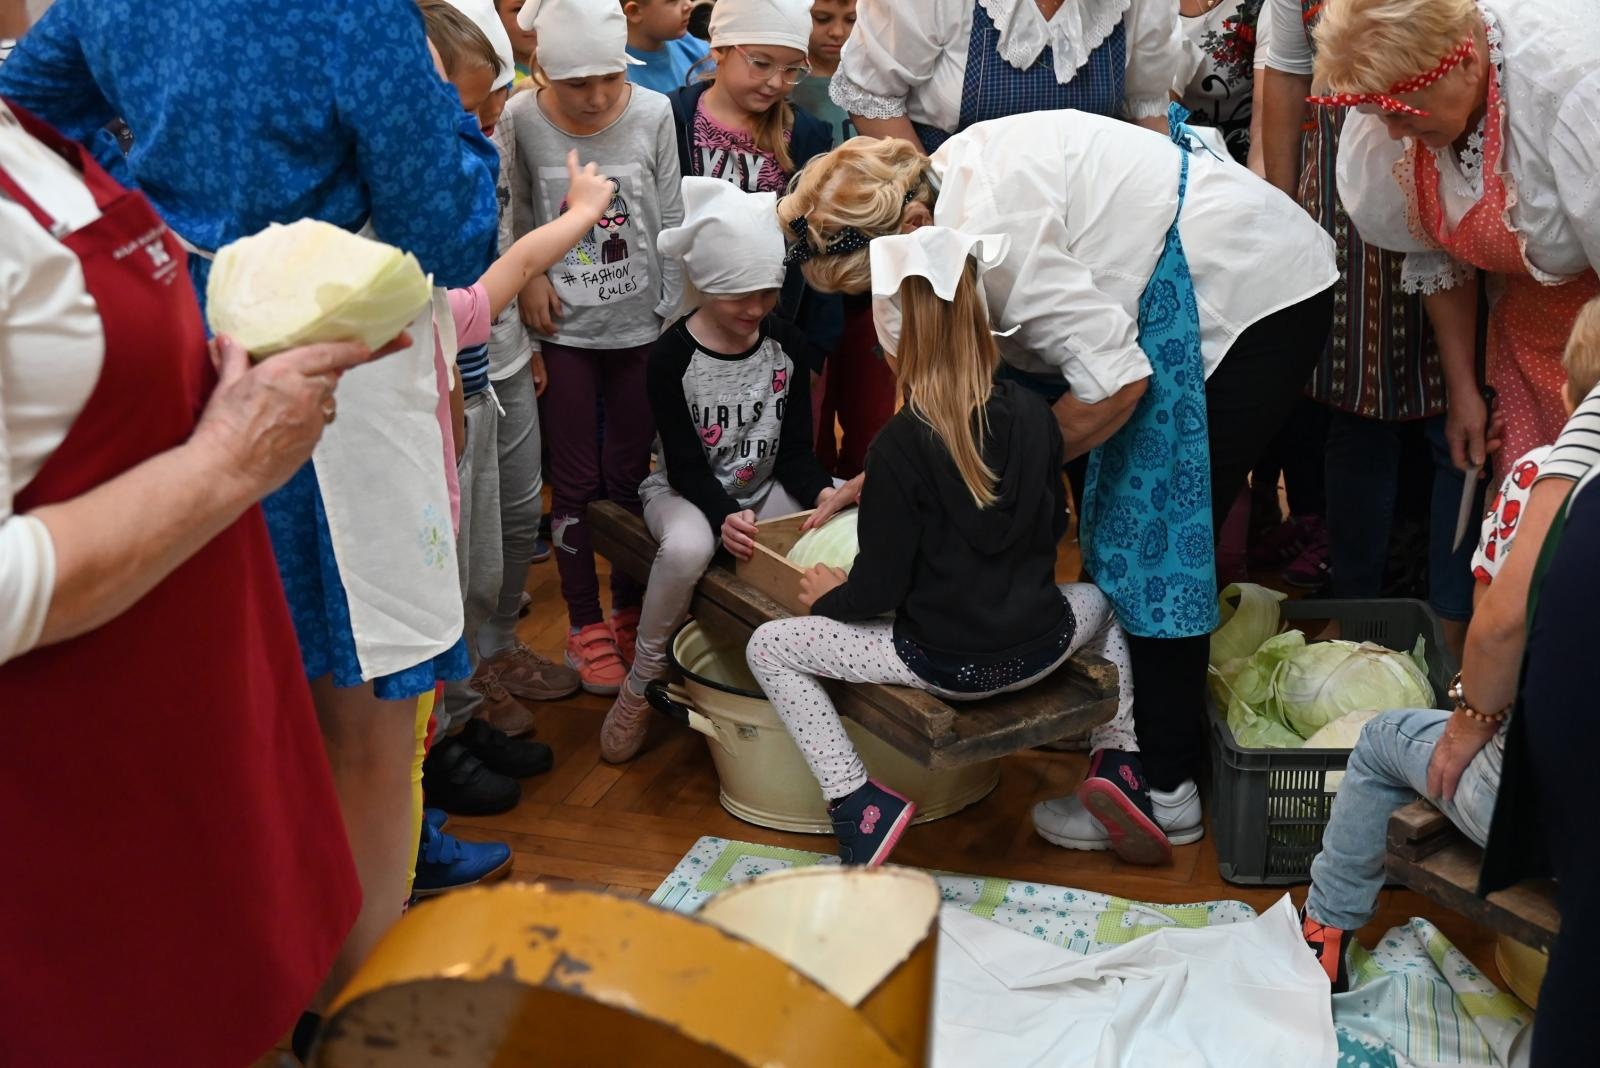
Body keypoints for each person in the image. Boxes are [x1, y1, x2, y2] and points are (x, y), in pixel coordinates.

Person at [0, 0, 504, 1030]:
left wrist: (173, 211)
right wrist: (457, 129)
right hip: (337, 376)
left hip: (189, 371)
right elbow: (443, 228)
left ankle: (268, 991)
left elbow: (29, 109)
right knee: (365, 731)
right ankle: (354, 1020)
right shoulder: (351, 14)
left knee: (242, 705)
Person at [784, 113, 1338, 836]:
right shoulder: (919, 207)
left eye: (865, 283)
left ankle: (1163, 789)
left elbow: (1114, 385)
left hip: (1247, 287)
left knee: (1150, 536)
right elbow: (928, 392)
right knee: (1116, 524)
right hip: (1164, 281)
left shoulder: (1002, 237)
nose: (870, 298)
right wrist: (895, 475)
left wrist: (974, 485)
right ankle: (1130, 738)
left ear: (915, 221)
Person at [746, 228, 1164, 867]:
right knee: (1104, 600)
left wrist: (831, 598)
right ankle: (1119, 756)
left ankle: (858, 801)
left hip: (944, 666)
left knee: (769, 647)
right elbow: (1054, 530)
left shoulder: (898, 445)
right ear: (978, 317)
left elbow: (878, 590)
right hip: (1042, 645)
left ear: (894, 335)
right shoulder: (1032, 414)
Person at [1299, 300, 1600, 993]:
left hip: (1546, 817)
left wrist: (1470, 719)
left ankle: (1323, 932)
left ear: (1563, 392)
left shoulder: (1542, 477)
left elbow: (1499, 624)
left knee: (1382, 740)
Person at [600, 177, 837, 762]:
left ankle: (819, 673)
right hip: (685, 493)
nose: (755, 309)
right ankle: (644, 676)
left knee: (827, 528)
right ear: (704, 284)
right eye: (739, 297)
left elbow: (797, 454)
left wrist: (827, 494)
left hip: (762, 489)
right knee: (687, 549)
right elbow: (682, 462)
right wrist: (725, 514)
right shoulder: (672, 356)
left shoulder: (785, 342)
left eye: (766, 294)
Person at [1261, 0, 1475, 644]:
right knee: (1359, 404)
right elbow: (1288, 71)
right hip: (1346, 193)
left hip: (1455, 158)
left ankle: (1447, 617)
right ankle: (1356, 608)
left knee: (1460, 413)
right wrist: (1286, 209)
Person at [1317, 0, 1600, 478]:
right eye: (1378, 112)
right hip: (1521, 346)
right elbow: (1436, 253)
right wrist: (1464, 390)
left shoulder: (1573, 91)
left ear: (1468, 61)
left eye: (1402, 114)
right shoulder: (1405, 93)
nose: (1391, 131)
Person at [509, 0, 684, 696]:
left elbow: (671, 215)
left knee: (629, 479)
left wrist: (671, 316)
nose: (597, 97)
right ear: (542, 69)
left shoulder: (654, 112)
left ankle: (629, 611)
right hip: (567, 332)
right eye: (576, 83)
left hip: (641, 329)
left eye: (609, 78)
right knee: (575, 484)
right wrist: (529, 283)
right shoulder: (522, 119)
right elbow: (513, 209)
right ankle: (583, 622)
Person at [831, 0, 1184, 153]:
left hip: (1091, 219)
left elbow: (1146, 106)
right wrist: (929, 200)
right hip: (956, 211)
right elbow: (873, 95)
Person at [1173, 0, 1266, 165]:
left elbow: (1265, 127)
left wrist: (1260, 187)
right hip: (1175, 150)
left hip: (1243, 153)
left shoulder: (1266, 6)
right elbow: (1154, 117)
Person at [625, 0, 713, 93]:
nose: (689, 5)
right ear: (634, 11)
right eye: (674, 1)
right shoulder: (618, 76)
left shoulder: (690, 45)